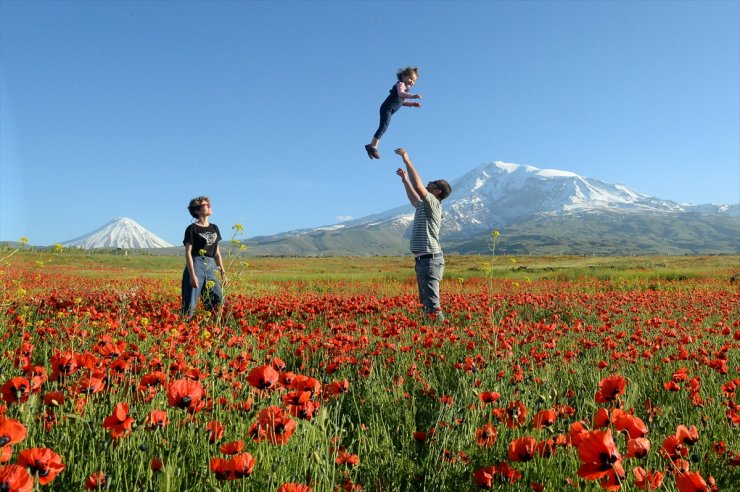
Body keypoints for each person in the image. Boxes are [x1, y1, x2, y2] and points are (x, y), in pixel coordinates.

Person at [394, 148, 452, 321]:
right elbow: (414, 199)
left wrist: (407, 160)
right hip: (423, 260)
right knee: (426, 302)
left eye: (433, 182)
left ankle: (441, 332)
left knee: (432, 303)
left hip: (430, 260)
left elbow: (419, 187)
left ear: (437, 192)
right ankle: (434, 332)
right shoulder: (425, 205)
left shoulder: (434, 203)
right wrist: (405, 181)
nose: (430, 182)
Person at [181, 196, 227, 318]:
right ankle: (186, 328)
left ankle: (214, 327)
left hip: (211, 265)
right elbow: (188, 253)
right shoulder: (192, 229)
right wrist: (192, 275)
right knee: (190, 302)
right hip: (196, 264)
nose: (209, 206)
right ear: (197, 210)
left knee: (218, 300)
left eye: (208, 204)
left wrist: (223, 272)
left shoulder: (214, 228)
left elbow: (217, 252)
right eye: (205, 205)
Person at [365, 67, 422, 160]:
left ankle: (371, 146)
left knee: (384, 127)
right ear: (403, 76)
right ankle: (373, 146)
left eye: (414, 81)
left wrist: (412, 104)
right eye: (410, 78)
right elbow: (400, 94)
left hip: (389, 110)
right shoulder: (401, 84)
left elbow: (401, 102)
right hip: (386, 108)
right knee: (383, 127)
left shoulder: (405, 90)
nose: (412, 82)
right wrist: (413, 96)